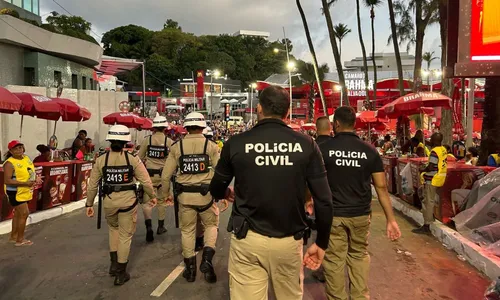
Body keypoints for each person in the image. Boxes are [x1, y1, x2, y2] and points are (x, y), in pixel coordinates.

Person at [209, 86, 334, 300]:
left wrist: (227, 192)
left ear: (259, 109)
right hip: (288, 241)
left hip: (248, 240)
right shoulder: (306, 144)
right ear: (287, 113)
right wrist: (321, 242)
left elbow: (216, 188)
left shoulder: (237, 143)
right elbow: (324, 201)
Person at [317, 106, 401, 300]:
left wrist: (307, 201)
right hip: (361, 215)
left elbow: (313, 180)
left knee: (334, 261)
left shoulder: (324, 149)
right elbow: (381, 187)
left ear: (335, 124)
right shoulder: (369, 151)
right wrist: (391, 219)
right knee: (358, 256)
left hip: (333, 215)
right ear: (354, 124)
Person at [85, 125, 157, 286]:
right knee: (125, 236)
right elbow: (145, 181)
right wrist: (152, 196)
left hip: (109, 202)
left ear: (110, 140)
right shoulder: (132, 159)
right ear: (126, 142)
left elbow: (92, 184)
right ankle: (121, 272)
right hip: (128, 203)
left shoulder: (101, 159)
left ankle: (113, 264)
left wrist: (89, 204)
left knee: (113, 231)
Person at [160, 112, 221, 283]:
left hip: (185, 197)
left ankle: (190, 269)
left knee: (187, 231)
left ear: (186, 127)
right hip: (206, 197)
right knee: (211, 226)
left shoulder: (176, 147)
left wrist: (166, 195)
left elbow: (166, 176)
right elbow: (221, 173)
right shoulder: (212, 146)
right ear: (202, 126)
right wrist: (221, 194)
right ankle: (207, 258)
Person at [138, 114, 174, 242]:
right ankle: (161, 226)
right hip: (164, 176)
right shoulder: (169, 142)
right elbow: (174, 160)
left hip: (149, 176)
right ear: (165, 128)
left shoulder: (147, 140)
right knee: (162, 201)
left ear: (153, 128)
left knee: (147, 203)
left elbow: (139, 158)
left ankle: (148, 226)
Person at [3, 140, 39, 247]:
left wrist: (36, 178)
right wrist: (25, 183)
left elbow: (30, 171)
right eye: (16, 148)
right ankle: (20, 240)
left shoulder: (26, 158)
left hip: (25, 191)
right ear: (11, 151)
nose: (19, 150)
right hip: (15, 192)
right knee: (24, 213)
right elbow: (7, 180)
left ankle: (13, 237)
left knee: (18, 214)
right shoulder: (9, 163)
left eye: (20, 147)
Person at [413, 133, 447, 234]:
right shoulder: (443, 149)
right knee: (432, 201)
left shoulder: (434, 152)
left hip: (432, 179)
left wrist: (423, 168)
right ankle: (430, 217)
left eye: (431, 139)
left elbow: (431, 167)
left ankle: (427, 225)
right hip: (440, 178)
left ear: (434, 140)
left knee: (428, 202)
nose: (430, 140)